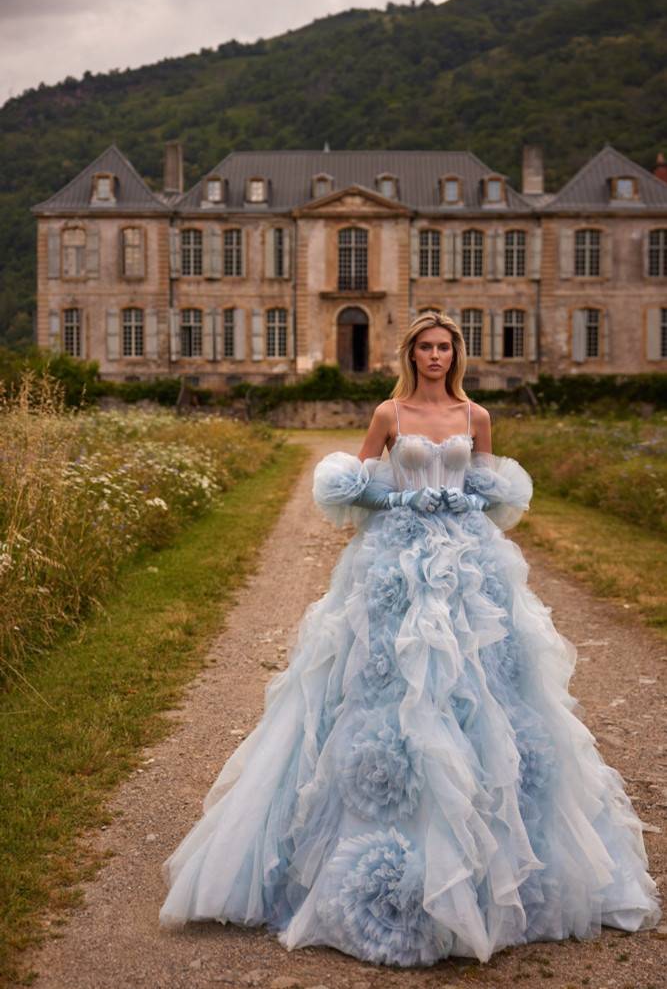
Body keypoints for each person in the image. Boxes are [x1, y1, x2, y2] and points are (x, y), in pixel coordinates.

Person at [159, 312, 661, 966]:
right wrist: (398, 502)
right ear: (411, 354)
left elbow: (488, 490)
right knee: (390, 684)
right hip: (397, 562)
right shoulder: (389, 413)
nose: (434, 355)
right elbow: (351, 487)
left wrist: (465, 503)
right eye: (425, 347)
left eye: (444, 346)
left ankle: (491, 859)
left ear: (455, 354)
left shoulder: (475, 415)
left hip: (468, 564)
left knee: (484, 684)